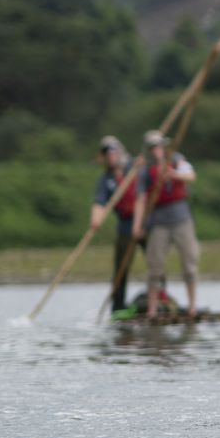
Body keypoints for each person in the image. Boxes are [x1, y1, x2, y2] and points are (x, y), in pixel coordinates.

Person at [132, 129, 200, 320]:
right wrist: (137, 225)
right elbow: (140, 199)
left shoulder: (177, 160)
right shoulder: (145, 170)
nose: (156, 150)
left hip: (181, 219)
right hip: (158, 221)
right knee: (155, 266)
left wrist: (173, 174)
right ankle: (152, 310)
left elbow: (191, 176)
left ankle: (192, 306)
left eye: (159, 146)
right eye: (152, 147)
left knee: (190, 264)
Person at [87, 135, 143, 319]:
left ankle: (158, 300)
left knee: (155, 261)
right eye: (107, 153)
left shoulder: (135, 166)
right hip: (126, 224)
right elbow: (99, 203)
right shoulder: (106, 180)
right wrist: (96, 221)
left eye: (113, 152)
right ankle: (118, 307)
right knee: (120, 268)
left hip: (146, 221)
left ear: (119, 152)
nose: (111, 156)